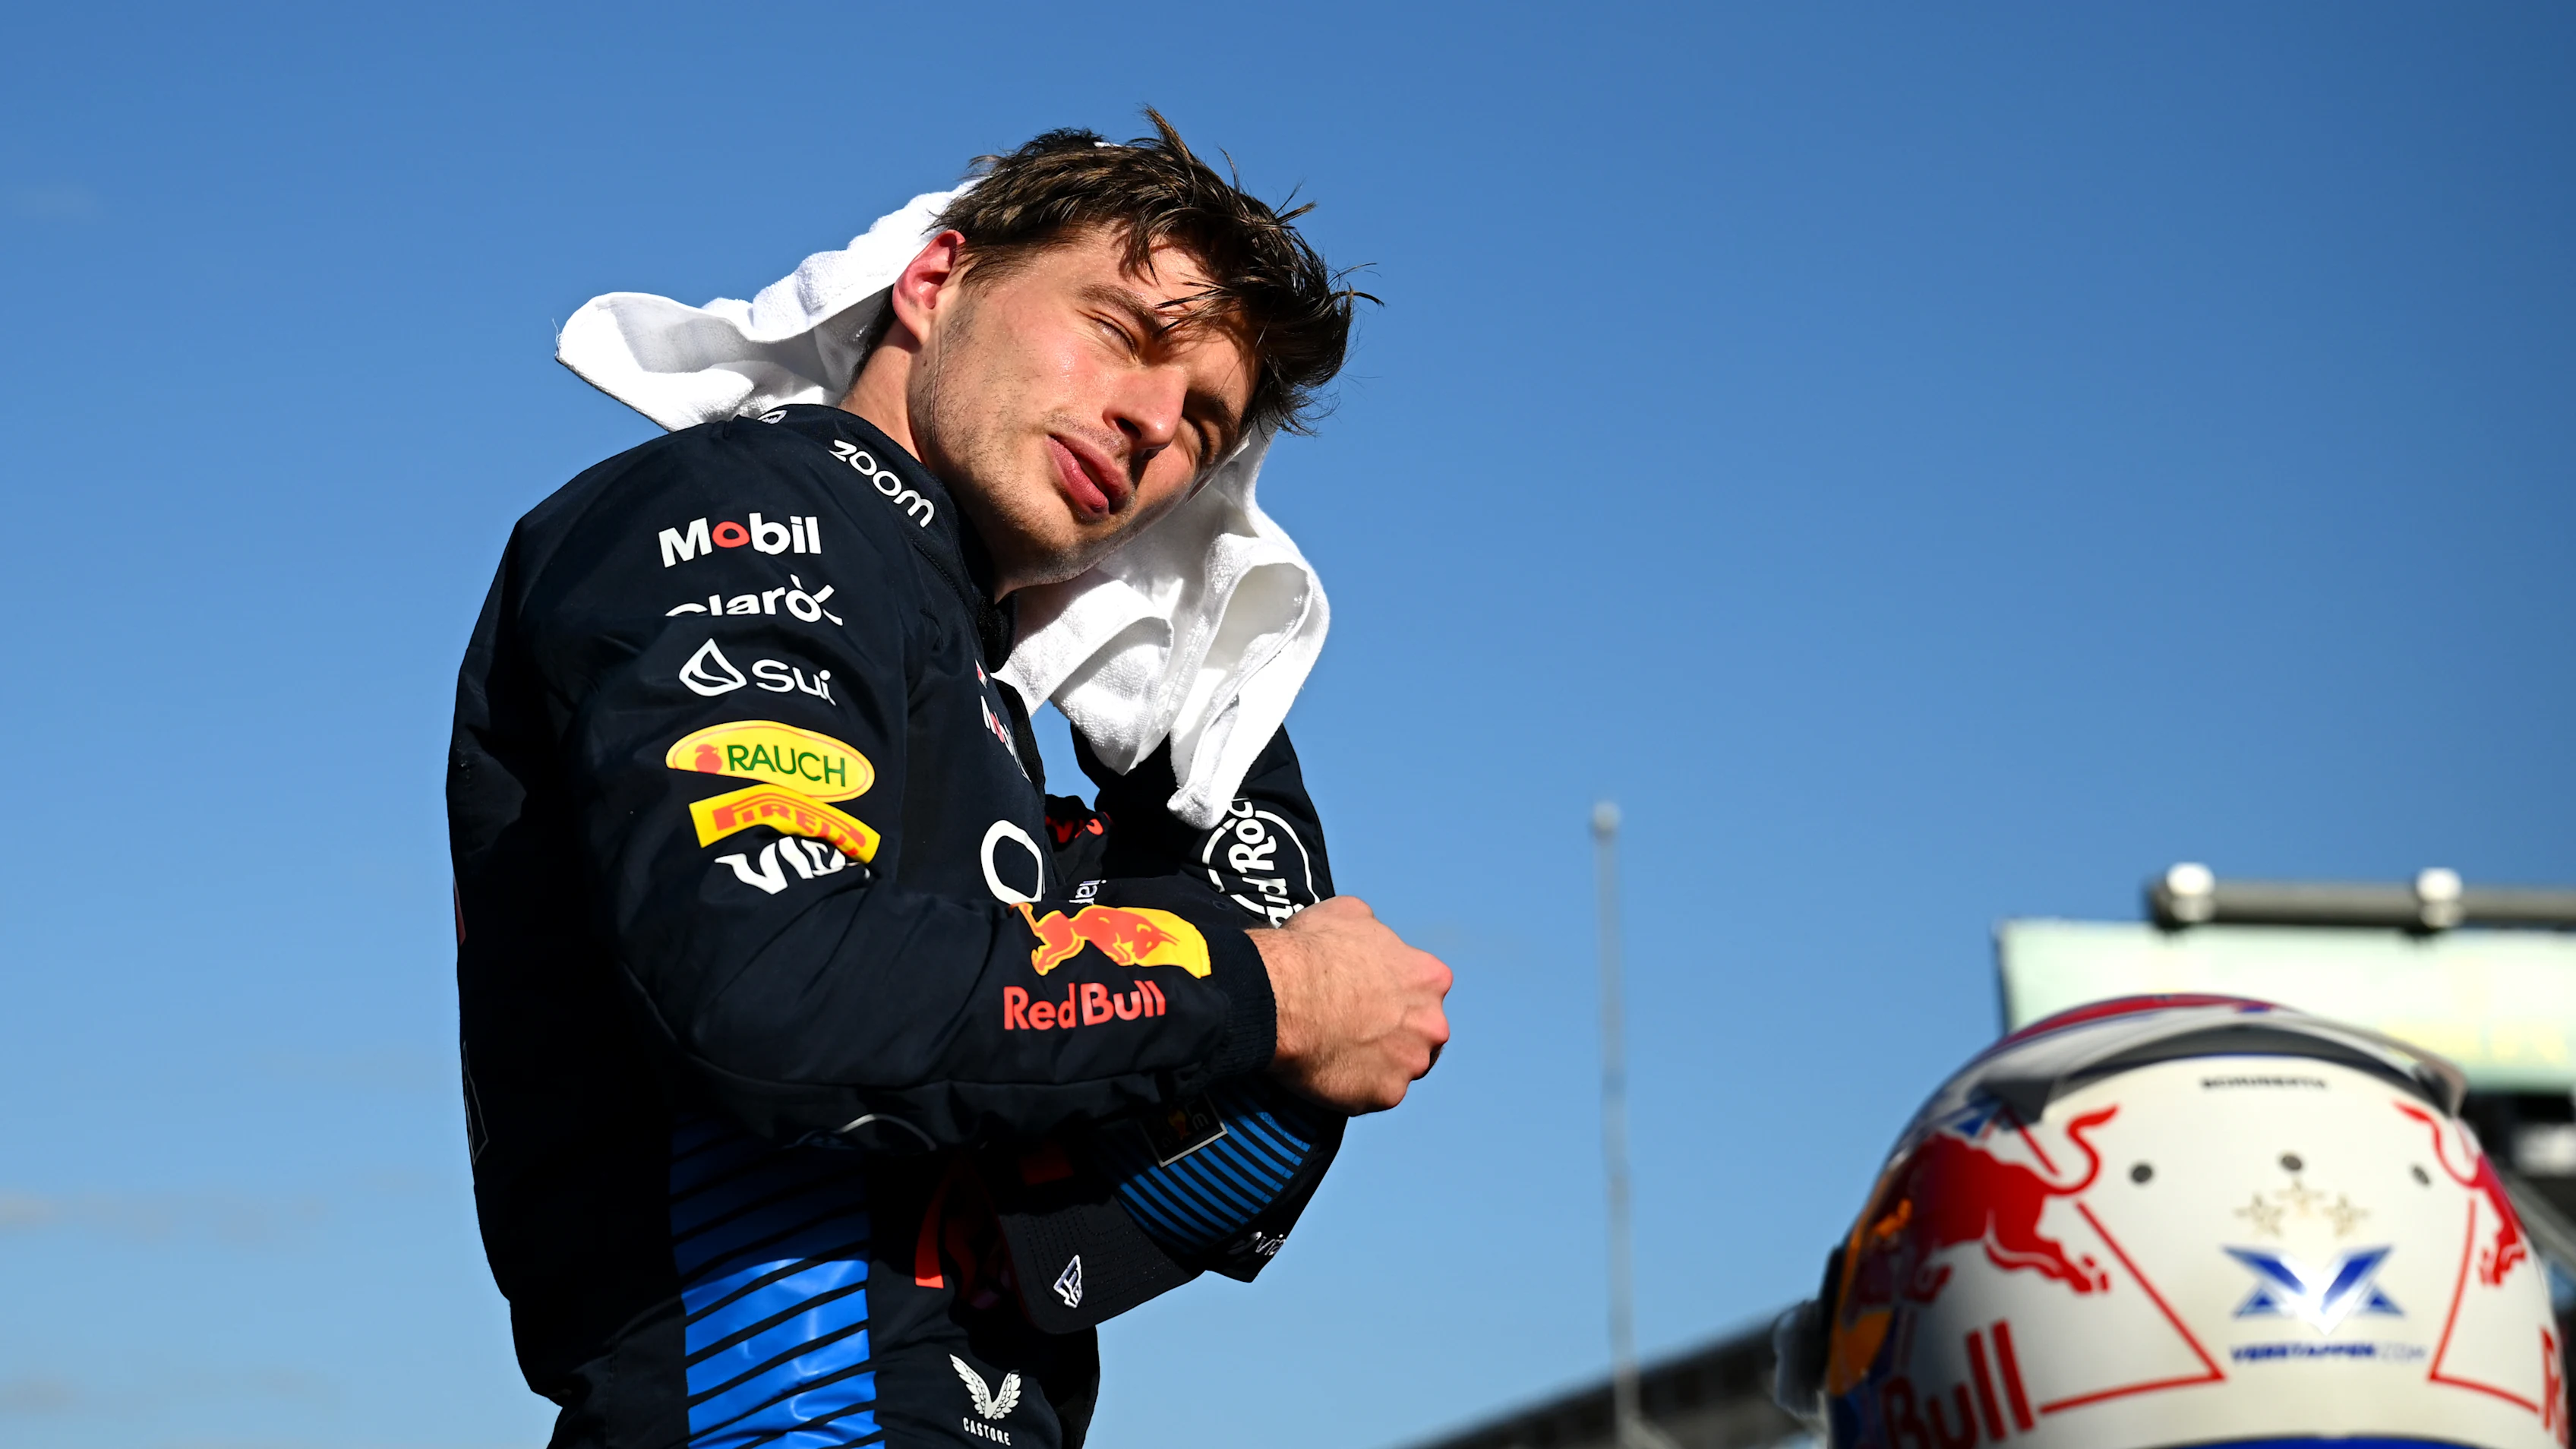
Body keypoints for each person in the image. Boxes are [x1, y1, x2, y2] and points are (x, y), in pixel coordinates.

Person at [447, 115, 1453, 1449]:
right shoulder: (754, 508)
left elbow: (1204, 1167)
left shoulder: (981, 686)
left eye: (1206, 421)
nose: (1155, 420)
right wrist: (1268, 992)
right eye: (1121, 330)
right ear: (934, 281)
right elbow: (777, 982)